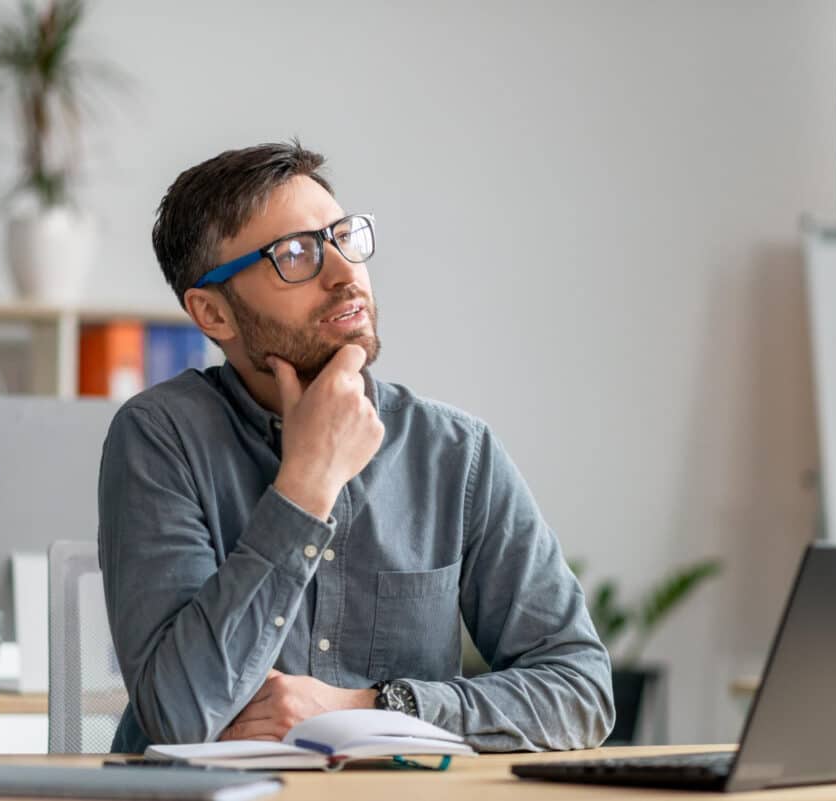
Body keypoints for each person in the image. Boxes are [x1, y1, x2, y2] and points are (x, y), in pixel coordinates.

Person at [99, 141, 614, 753]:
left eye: (345, 238)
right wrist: (306, 484)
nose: (344, 274)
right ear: (213, 313)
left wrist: (369, 708)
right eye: (296, 254)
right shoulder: (161, 438)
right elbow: (179, 715)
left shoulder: (455, 453)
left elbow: (581, 692)